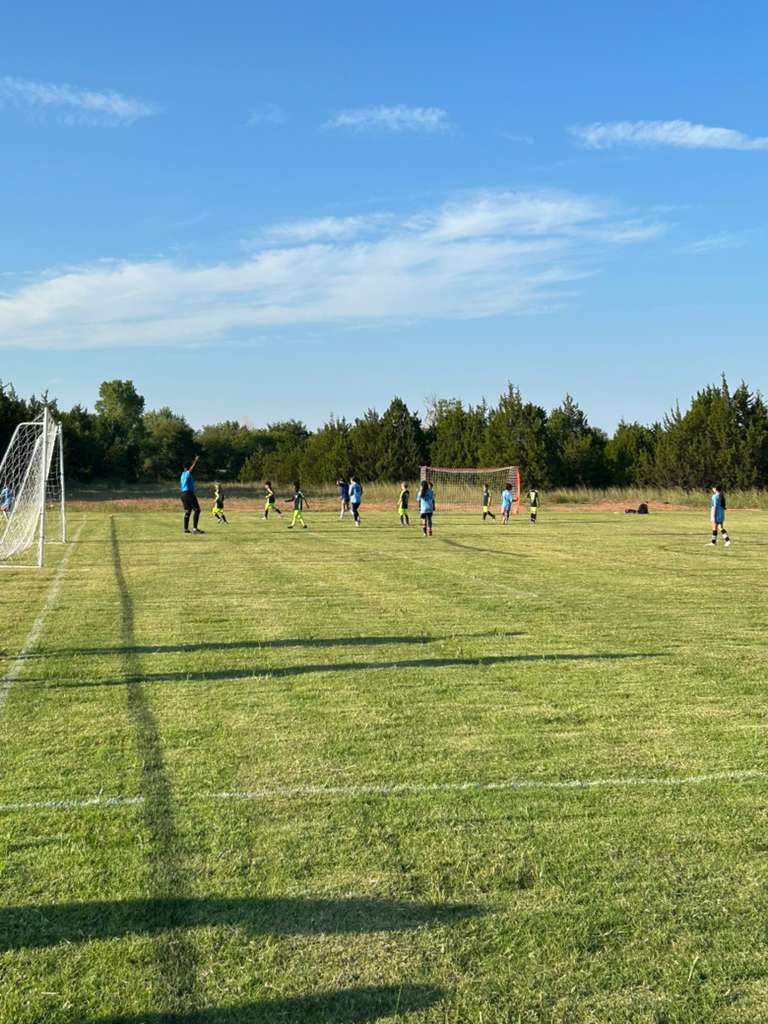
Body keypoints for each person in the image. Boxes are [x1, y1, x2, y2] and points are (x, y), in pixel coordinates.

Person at [180, 456, 204, 534]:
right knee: (197, 510)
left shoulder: (182, 475)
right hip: (188, 493)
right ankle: (195, 529)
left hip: (183, 494)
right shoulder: (187, 473)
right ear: (188, 467)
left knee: (188, 511)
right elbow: (190, 470)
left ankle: (186, 529)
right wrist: (195, 461)